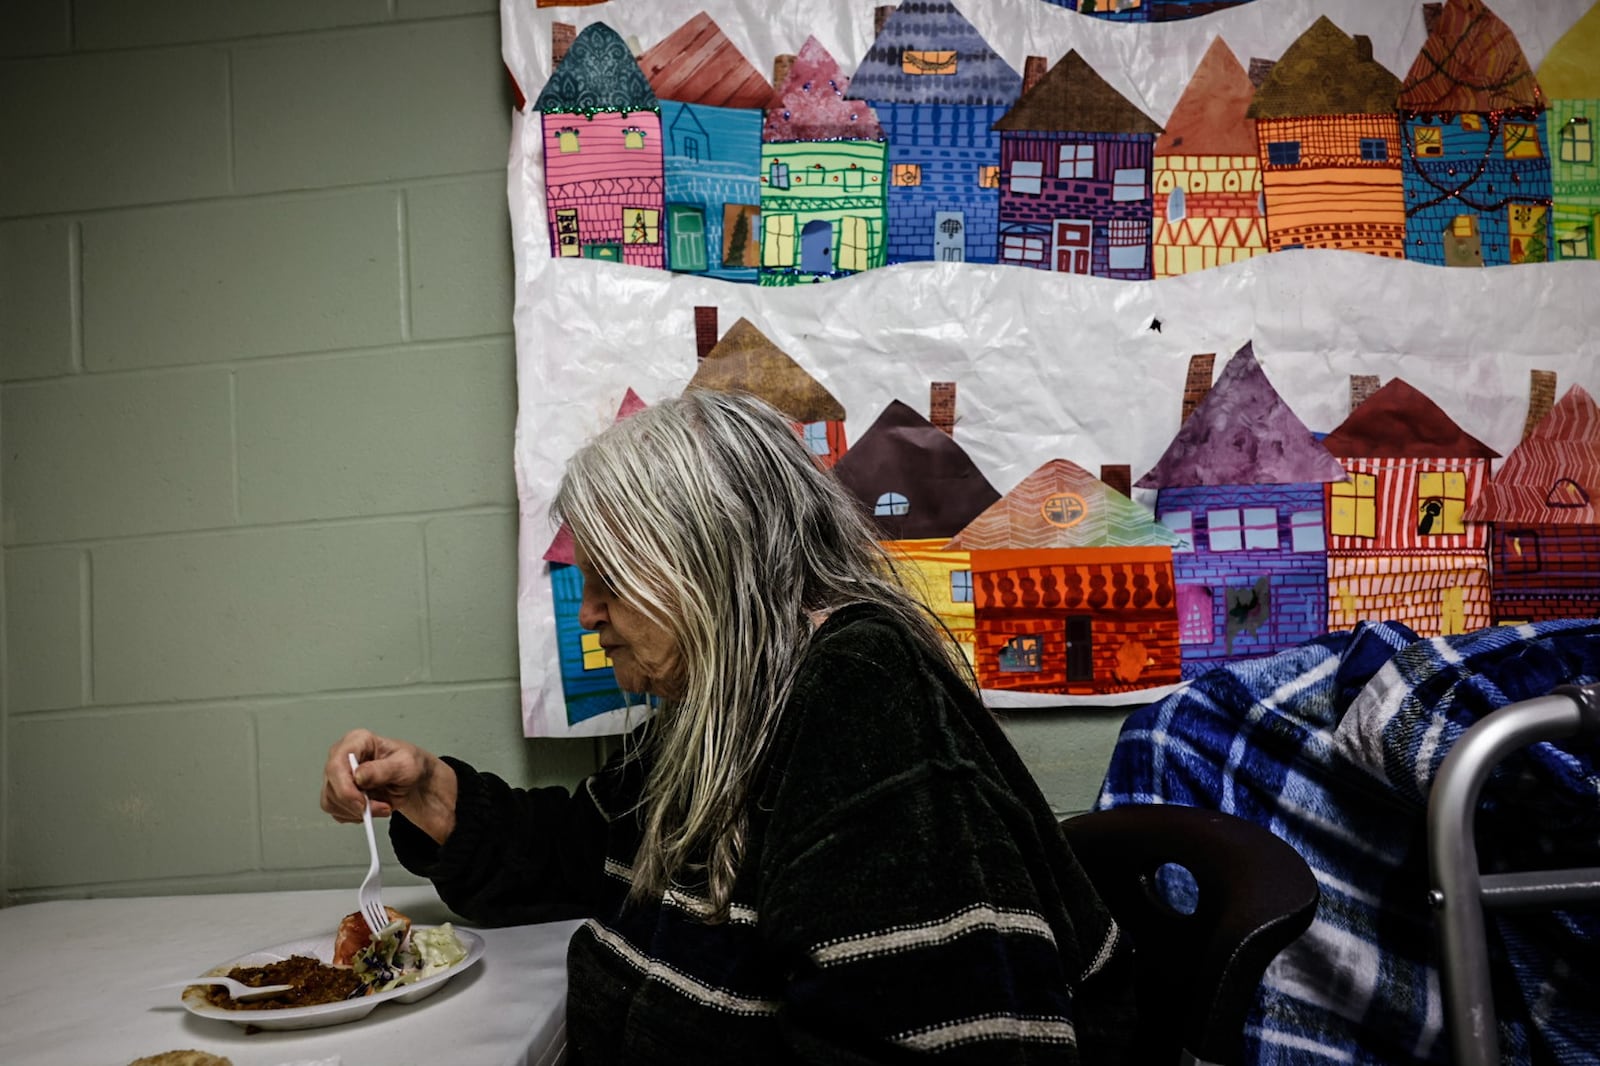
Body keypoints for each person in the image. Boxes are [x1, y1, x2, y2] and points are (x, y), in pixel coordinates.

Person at [321, 388, 1136, 1065]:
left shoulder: (859, 693)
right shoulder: (732, 699)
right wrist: (430, 790)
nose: (591, 611)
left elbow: (940, 1039)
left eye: (610, 575)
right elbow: (586, 850)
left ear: (705, 558)